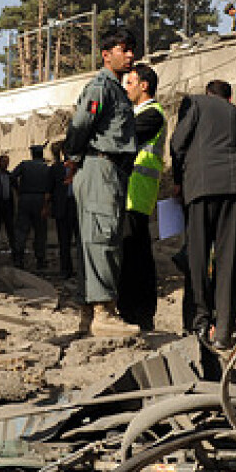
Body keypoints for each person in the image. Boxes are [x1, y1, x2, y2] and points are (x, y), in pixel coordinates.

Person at [63, 26, 140, 337]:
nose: (131, 54)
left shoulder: (116, 89)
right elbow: (80, 124)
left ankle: (89, 313)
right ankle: (104, 312)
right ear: (107, 55)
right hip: (100, 168)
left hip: (108, 170)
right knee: (101, 240)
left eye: (132, 48)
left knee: (95, 239)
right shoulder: (102, 87)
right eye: (125, 48)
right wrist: (74, 155)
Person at [171, 79, 236, 350]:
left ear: (208, 94)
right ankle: (225, 330)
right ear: (229, 98)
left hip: (202, 187)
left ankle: (199, 322)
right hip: (235, 188)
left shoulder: (195, 103)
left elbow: (178, 142)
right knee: (229, 259)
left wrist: (178, 179)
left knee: (197, 255)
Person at [117, 63, 167, 331]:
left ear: (144, 85)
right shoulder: (139, 113)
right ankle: (133, 310)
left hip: (138, 192)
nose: (126, 88)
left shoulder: (152, 114)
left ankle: (138, 312)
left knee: (136, 256)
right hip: (130, 192)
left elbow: (124, 137)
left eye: (130, 83)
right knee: (131, 253)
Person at [11, 144, 53, 270]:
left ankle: (18, 259)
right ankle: (40, 260)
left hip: (25, 199)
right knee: (40, 232)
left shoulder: (24, 165)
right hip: (41, 200)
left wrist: (18, 190)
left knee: (21, 230)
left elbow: (12, 176)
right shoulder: (46, 168)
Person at [49, 141, 77, 278]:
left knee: (80, 241)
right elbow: (50, 189)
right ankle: (66, 270)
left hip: (76, 207)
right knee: (64, 242)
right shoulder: (56, 168)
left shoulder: (78, 167)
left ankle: (82, 270)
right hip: (62, 208)